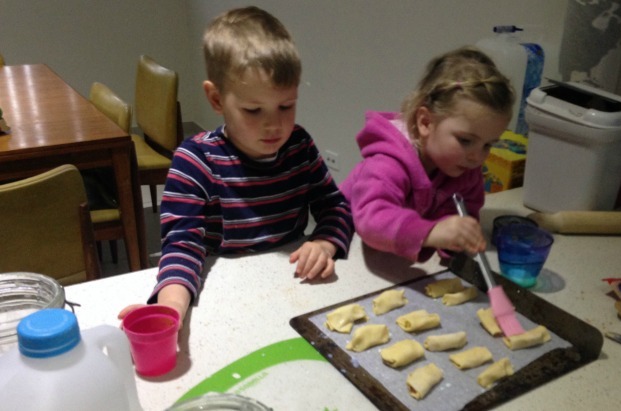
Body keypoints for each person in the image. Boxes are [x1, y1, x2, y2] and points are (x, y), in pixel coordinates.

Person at [119, 7, 354, 322]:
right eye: (253, 110)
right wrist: (171, 308)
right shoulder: (196, 162)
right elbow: (182, 246)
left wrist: (325, 242)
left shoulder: (299, 146)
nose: (274, 125)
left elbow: (336, 206)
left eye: (286, 106)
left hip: (292, 290)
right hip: (226, 300)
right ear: (216, 99)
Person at [340, 46, 513, 263]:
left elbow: (460, 213)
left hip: (393, 257)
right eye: (465, 140)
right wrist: (430, 232)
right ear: (425, 122)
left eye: (488, 145)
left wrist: (456, 237)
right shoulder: (387, 163)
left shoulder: (465, 168)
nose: (477, 157)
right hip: (344, 244)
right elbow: (372, 220)